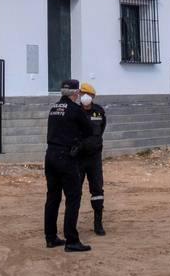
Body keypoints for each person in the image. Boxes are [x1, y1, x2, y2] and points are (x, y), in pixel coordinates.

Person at [45, 77, 94, 252]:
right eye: (79, 92)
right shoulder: (75, 110)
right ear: (75, 93)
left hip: (50, 155)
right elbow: (89, 130)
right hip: (66, 156)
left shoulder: (53, 108)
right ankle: (71, 240)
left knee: (53, 197)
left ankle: (50, 237)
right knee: (73, 197)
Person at [78, 83, 108, 236]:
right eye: (82, 93)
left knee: (97, 190)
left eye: (88, 94)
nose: (85, 96)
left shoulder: (99, 111)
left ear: (93, 96)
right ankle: (72, 224)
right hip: (78, 159)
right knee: (75, 191)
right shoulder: (75, 112)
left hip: (94, 158)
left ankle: (98, 223)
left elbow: (101, 129)